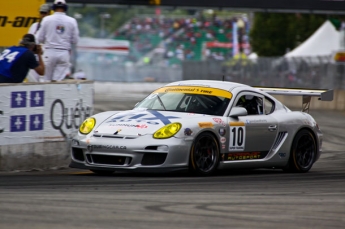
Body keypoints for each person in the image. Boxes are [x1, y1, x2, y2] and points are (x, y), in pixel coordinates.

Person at [38, 0, 79, 82]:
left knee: (45, 80)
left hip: (49, 52)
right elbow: (75, 40)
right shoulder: (72, 21)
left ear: (53, 7)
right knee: (57, 82)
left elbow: (40, 39)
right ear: (65, 8)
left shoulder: (46, 20)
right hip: (64, 54)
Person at [26, 3, 50, 82]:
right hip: (35, 58)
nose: (43, 15)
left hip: (47, 57)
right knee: (32, 81)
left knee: (45, 81)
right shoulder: (34, 26)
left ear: (49, 13)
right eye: (41, 13)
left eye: (45, 13)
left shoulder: (51, 26)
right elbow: (29, 41)